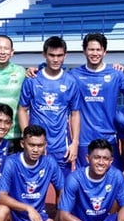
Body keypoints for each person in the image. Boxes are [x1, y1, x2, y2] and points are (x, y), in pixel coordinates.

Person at [18, 36, 82, 176]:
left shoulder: (71, 82)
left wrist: (75, 143)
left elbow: (75, 113)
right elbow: (22, 110)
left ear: (65, 55)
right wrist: (28, 138)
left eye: (59, 55)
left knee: (63, 191)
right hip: (37, 147)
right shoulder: (32, 80)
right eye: (51, 55)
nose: (55, 59)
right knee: (33, 190)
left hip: (61, 147)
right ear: (44, 55)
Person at [70, 32, 124, 166]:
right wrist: (36, 70)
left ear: (104, 52)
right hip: (84, 140)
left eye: (98, 49)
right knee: (86, 179)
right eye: (91, 49)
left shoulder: (116, 75)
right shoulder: (74, 75)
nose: (95, 53)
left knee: (111, 179)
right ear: (84, 51)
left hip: (109, 138)